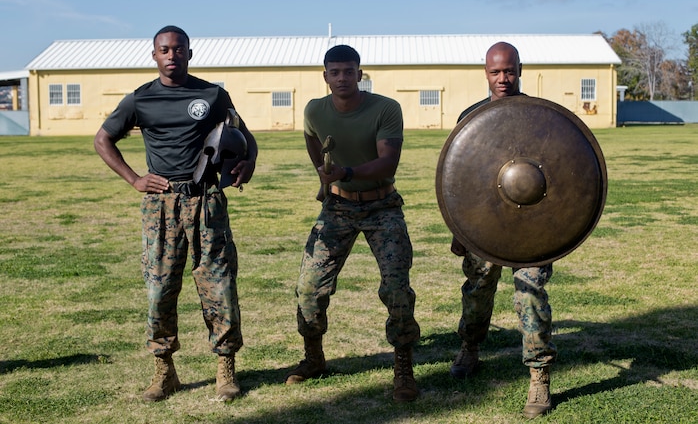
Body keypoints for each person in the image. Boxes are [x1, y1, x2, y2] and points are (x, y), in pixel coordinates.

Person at [94, 25, 258, 403]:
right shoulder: (140, 100)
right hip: (161, 205)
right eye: (164, 50)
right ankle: (164, 371)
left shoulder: (213, 95)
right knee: (160, 289)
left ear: (189, 52)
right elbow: (102, 139)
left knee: (218, 285)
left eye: (178, 49)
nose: (172, 55)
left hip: (206, 202)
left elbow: (246, 139)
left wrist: (247, 163)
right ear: (154, 55)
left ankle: (225, 369)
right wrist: (135, 179)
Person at [284, 44, 421, 402]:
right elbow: (313, 139)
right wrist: (324, 177)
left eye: (349, 71)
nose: (342, 78)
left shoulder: (386, 108)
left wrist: (343, 171)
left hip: (382, 206)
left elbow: (387, 162)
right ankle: (314, 359)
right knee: (309, 289)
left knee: (396, 289)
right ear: (325, 76)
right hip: (337, 207)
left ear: (360, 74)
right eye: (335, 72)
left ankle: (403, 365)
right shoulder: (315, 109)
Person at [449, 42, 556, 419]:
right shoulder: (470, 115)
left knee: (531, 294)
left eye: (509, 70)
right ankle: (471, 347)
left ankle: (538, 375)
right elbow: (461, 180)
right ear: (486, 73)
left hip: (531, 227)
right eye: (496, 72)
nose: (503, 79)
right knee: (477, 291)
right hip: (484, 226)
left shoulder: (537, 115)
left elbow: (557, 168)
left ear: (520, 69)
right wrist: (459, 231)